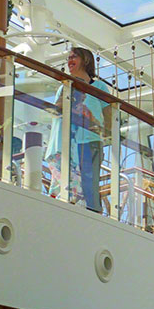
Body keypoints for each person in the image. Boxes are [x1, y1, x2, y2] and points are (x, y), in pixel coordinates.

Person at [64, 47, 108, 212]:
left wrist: (104, 133)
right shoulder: (66, 86)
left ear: (86, 60)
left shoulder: (99, 86)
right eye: (68, 58)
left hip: (90, 141)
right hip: (70, 140)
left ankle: (93, 212)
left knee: (89, 181)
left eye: (74, 57)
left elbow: (109, 115)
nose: (69, 61)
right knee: (70, 178)